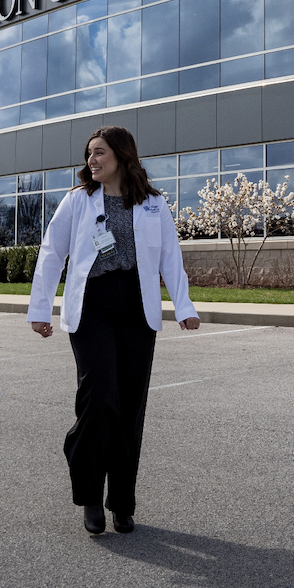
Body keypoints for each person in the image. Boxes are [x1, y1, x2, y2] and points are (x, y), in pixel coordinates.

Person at [29, 126, 200, 535]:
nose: (92, 160)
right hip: (91, 307)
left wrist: (184, 306)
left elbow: (170, 257)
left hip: (137, 310)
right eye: (89, 153)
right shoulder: (76, 201)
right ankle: (89, 494)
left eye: (100, 152)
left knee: (129, 408)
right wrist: (40, 309)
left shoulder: (153, 203)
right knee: (99, 397)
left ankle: (122, 502)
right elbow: (52, 252)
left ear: (123, 155)